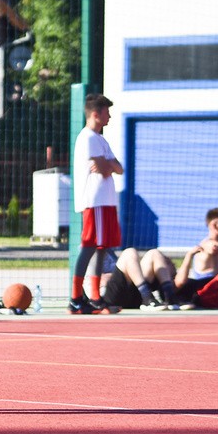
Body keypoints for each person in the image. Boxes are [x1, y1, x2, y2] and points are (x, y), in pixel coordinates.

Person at [70, 94, 124, 314]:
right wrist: (108, 165)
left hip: (106, 202)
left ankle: (94, 296)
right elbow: (103, 168)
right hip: (95, 201)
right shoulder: (89, 138)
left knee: (102, 247)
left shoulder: (101, 139)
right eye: (106, 112)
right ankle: (75, 297)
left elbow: (118, 168)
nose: (109, 115)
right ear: (96, 114)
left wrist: (109, 164)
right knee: (90, 245)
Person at [100, 248, 182, 311]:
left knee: (154, 253)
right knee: (129, 252)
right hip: (110, 296)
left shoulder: (108, 250)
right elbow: (89, 275)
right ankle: (147, 296)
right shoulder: (90, 250)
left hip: (137, 293)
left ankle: (170, 298)